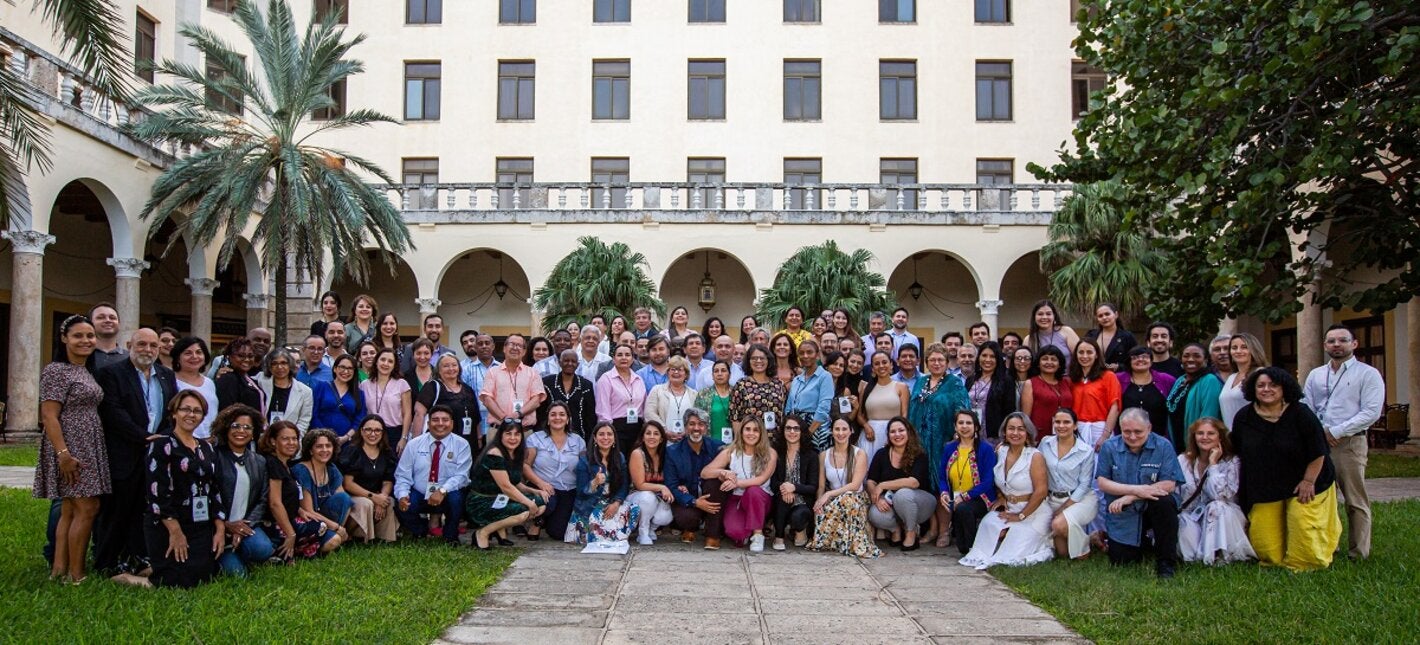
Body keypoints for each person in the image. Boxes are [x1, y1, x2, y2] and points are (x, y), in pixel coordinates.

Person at [1231, 367, 1341, 571]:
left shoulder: (1301, 413)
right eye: (1261, 385)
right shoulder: (1243, 417)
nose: (1266, 389)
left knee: (1303, 525)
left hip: (1304, 481)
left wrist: (1309, 481)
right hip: (1265, 484)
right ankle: (1276, 562)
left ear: (1284, 388)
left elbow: (1319, 451)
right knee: (1266, 544)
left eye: (1273, 385)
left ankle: (1304, 564)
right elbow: (1236, 449)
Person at [94, 328, 177, 575]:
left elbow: (172, 410)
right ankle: (107, 561)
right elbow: (113, 412)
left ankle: (139, 556)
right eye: (142, 344)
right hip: (125, 453)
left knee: (145, 510)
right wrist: (144, 437)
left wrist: (160, 437)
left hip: (154, 455)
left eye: (153, 345)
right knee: (117, 510)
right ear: (130, 345)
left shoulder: (166, 375)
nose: (148, 350)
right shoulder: (111, 374)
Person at [124, 391, 227, 588]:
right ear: (174, 413)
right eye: (186, 409)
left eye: (197, 411)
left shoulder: (206, 448)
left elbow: (215, 489)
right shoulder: (161, 444)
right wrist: (175, 531)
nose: (191, 415)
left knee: (203, 576)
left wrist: (220, 527)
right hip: (167, 522)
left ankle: (156, 566)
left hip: (199, 522)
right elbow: (157, 492)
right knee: (176, 582)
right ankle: (129, 578)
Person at [35, 315, 108, 583]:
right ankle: (77, 574)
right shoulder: (56, 371)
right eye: (78, 336)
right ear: (64, 338)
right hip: (70, 444)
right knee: (88, 507)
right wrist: (63, 454)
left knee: (70, 509)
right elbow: (49, 415)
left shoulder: (86, 370)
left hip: (89, 442)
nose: (85, 341)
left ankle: (59, 569)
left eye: (90, 336)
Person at [1302, 324, 1384, 560]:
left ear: (1354, 344)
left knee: (1354, 499)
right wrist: (1319, 432)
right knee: (1323, 499)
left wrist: (1337, 431)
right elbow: (1307, 406)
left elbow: (1370, 412)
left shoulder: (1367, 374)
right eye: (1331, 341)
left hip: (1349, 443)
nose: (1336, 345)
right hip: (1319, 444)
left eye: (1342, 340)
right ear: (1325, 345)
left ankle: (1358, 552)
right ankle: (1328, 547)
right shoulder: (1316, 374)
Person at [1096, 408, 1184, 578]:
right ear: (1120, 428)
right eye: (1126, 432)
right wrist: (1136, 489)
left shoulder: (1163, 445)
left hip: (1153, 508)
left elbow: (1169, 484)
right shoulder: (1109, 447)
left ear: (1149, 428)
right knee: (1122, 561)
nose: (1132, 437)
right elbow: (1102, 482)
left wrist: (1132, 496)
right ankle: (1140, 543)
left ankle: (1166, 563)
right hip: (1124, 514)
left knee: (1164, 502)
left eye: (1138, 432)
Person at [959, 413, 1053, 569]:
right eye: (1011, 429)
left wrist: (1021, 515)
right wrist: (1001, 496)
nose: (1015, 433)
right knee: (988, 525)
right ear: (1005, 431)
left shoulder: (1035, 456)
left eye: (1020, 429)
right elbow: (996, 479)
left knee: (1014, 547)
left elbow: (1041, 492)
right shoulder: (1001, 450)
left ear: (1028, 433)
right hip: (1009, 508)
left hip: (1034, 512)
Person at [907, 343, 969, 546]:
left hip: (943, 443)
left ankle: (944, 531)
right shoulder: (921, 382)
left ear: (946, 362)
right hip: (920, 443)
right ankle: (932, 528)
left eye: (940, 360)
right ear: (926, 363)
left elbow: (962, 411)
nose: (936, 363)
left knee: (942, 486)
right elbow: (912, 409)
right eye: (932, 360)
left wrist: (957, 437)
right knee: (926, 486)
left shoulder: (955, 383)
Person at [258, 420, 342, 560]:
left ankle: (291, 551)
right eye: (285, 439)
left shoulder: (286, 465)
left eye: (294, 439)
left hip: (292, 516)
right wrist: (290, 533)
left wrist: (300, 510)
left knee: (321, 529)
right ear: (273, 441)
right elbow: (275, 503)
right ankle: (282, 551)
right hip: (274, 522)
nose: (291, 442)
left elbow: (289, 497)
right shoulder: (272, 463)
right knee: (319, 526)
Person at [1177, 418, 1255, 565]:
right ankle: (1199, 557)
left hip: (1224, 515)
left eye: (1210, 433)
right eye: (1200, 433)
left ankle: (1222, 556)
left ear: (1220, 437)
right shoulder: (1184, 460)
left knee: (1215, 507)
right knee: (1182, 520)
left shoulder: (1232, 462)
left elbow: (1219, 495)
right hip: (1193, 514)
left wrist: (1213, 465)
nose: (1205, 437)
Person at [394, 406, 473, 545]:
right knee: (401, 501)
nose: (440, 423)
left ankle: (451, 536)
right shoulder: (414, 444)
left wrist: (442, 491)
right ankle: (420, 531)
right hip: (420, 492)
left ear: (452, 423)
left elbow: (462, 476)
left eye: (445, 420)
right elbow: (402, 475)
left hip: (448, 493)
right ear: (428, 423)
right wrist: (402, 495)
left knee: (457, 498)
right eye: (435, 420)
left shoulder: (462, 444)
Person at [211, 404, 273, 577]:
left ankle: (239, 549)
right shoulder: (213, 457)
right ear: (225, 428)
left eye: (247, 427)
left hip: (245, 524)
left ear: (254, 433)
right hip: (217, 526)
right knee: (238, 576)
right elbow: (208, 496)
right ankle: (224, 553)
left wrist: (245, 526)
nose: (241, 431)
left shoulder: (259, 461)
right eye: (235, 426)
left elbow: (262, 498)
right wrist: (225, 525)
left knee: (263, 549)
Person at [806, 418, 881, 558]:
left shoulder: (860, 454)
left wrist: (828, 495)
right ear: (831, 431)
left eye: (844, 429)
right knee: (827, 506)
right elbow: (821, 485)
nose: (840, 433)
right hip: (834, 500)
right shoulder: (824, 455)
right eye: (837, 429)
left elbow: (855, 485)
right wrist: (818, 502)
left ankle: (852, 542)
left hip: (856, 499)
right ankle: (838, 541)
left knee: (848, 500)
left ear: (851, 431)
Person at [699, 418, 777, 551]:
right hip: (738, 498)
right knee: (734, 532)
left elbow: (761, 480)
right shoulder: (731, 451)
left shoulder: (770, 453)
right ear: (741, 432)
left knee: (753, 490)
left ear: (761, 433)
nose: (751, 433)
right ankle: (747, 531)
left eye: (755, 430)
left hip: (760, 498)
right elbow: (705, 472)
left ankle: (758, 534)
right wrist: (723, 472)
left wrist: (736, 483)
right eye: (747, 429)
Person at [466, 421, 546, 549]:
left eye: (517, 434)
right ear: (500, 435)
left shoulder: (514, 453)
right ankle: (482, 533)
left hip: (499, 498)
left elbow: (515, 483)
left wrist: (534, 491)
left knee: (541, 502)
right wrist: (529, 503)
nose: (513, 438)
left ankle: (499, 530)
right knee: (523, 513)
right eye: (508, 434)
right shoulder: (494, 454)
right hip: (481, 502)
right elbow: (506, 487)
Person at [866, 417, 935, 551]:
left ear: (908, 432)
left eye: (901, 430)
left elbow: (913, 482)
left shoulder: (919, 454)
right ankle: (896, 530)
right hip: (891, 503)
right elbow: (871, 481)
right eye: (893, 432)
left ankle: (911, 532)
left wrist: (883, 485)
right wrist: (877, 497)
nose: (897, 434)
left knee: (902, 494)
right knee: (874, 514)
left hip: (920, 503)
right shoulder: (881, 454)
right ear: (888, 435)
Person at [567, 422, 641, 545]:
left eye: (609, 434)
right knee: (603, 532)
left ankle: (614, 533)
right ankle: (610, 534)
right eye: (601, 434)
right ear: (595, 438)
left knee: (635, 510)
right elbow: (581, 493)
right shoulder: (585, 460)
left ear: (614, 438)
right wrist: (594, 483)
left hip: (610, 501)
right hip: (590, 505)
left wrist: (616, 503)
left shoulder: (619, 457)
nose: (606, 438)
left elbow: (624, 485)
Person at [1039, 409, 1098, 559]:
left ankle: (1084, 551)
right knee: (1063, 554)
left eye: (1066, 422)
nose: (1061, 426)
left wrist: (1063, 508)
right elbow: (1035, 464)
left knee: (1058, 525)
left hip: (1080, 499)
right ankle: (1091, 539)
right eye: (1057, 422)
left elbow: (1084, 484)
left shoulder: (1085, 451)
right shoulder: (1045, 443)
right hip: (1052, 498)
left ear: (1075, 425)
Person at [523, 402, 587, 541]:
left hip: (568, 489)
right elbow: (526, 465)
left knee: (558, 533)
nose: (557, 418)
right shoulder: (535, 438)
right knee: (548, 502)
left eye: (562, 414)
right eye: (553, 414)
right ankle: (537, 522)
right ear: (548, 418)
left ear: (568, 418)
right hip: (543, 487)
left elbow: (583, 468)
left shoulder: (578, 441)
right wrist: (541, 484)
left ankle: (549, 520)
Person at [938, 411, 997, 554]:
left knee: (964, 508)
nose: (964, 426)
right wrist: (944, 492)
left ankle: (974, 550)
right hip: (957, 498)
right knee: (961, 546)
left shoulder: (986, 449)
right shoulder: (949, 448)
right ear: (955, 427)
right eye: (961, 423)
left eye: (969, 423)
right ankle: (966, 546)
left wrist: (964, 496)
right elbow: (941, 476)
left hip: (980, 498)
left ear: (976, 427)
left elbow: (988, 481)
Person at [664, 408, 725, 544]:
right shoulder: (672, 452)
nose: (696, 428)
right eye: (691, 424)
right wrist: (694, 502)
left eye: (701, 424)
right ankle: (691, 528)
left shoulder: (718, 447)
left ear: (706, 428)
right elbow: (671, 485)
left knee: (715, 483)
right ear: (685, 427)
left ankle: (713, 534)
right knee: (686, 518)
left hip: (711, 497)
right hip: (688, 499)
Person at [338, 415, 399, 544]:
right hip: (354, 494)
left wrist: (382, 497)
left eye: (377, 430)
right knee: (366, 504)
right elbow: (348, 484)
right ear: (361, 431)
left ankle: (383, 538)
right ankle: (351, 536)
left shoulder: (387, 453)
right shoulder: (352, 451)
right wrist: (373, 497)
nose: (373, 434)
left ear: (383, 433)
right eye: (368, 430)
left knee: (389, 501)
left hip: (376, 494)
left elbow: (388, 481)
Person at [292, 429, 353, 545]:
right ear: (310, 450)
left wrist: (339, 527)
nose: (324, 450)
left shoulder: (331, 468)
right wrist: (336, 527)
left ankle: (333, 535)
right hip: (307, 519)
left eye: (328, 446)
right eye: (319, 446)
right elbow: (308, 510)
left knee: (344, 498)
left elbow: (344, 501)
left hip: (324, 518)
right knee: (334, 542)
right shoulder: (301, 470)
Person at [770, 415, 819, 550]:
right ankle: (779, 537)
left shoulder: (811, 455)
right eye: (788, 428)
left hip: (802, 500)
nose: (792, 432)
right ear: (783, 431)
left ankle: (799, 529)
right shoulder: (776, 452)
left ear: (802, 431)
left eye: (796, 429)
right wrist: (784, 488)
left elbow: (812, 487)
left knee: (799, 516)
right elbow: (772, 482)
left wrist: (794, 487)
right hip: (781, 498)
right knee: (782, 499)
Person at [412, 354, 482, 449]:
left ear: (459, 368)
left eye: (454, 365)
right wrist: (416, 443)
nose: (451, 368)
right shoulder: (432, 387)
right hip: (441, 443)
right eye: (446, 366)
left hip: (468, 443)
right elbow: (419, 414)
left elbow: (476, 418)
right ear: (439, 370)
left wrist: (479, 438)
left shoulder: (468, 389)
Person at [1165, 343, 1224, 452]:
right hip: (1177, 444)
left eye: (1197, 356)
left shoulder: (1209, 380)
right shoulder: (1180, 380)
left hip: (1198, 447)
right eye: (1186, 356)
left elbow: (1209, 416)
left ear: (1206, 360)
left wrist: (1197, 448)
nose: (1190, 359)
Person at [481, 334, 546, 430]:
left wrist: (517, 414)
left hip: (524, 430)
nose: (515, 348)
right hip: (498, 430)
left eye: (519, 345)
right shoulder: (492, 372)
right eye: (512, 344)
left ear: (524, 351)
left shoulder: (533, 373)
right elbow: (487, 399)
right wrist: (504, 419)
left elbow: (536, 400)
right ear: (504, 348)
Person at [627, 421, 676, 545]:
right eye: (648, 433)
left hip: (657, 496)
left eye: (656, 434)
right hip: (637, 496)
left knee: (666, 517)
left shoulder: (665, 454)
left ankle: (651, 528)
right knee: (647, 497)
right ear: (642, 437)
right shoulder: (637, 454)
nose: (652, 437)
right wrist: (662, 487)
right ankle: (642, 532)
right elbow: (639, 485)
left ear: (661, 439)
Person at [596, 344, 647, 456]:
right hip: (616, 428)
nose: (624, 358)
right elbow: (602, 409)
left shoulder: (638, 379)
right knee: (620, 464)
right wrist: (608, 433)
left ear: (633, 359)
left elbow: (643, 406)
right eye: (620, 355)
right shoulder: (606, 379)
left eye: (627, 355)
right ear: (613, 359)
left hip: (637, 429)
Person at [857, 351, 909, 462]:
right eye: (877, 363)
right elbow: (860, 415)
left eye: (884, 362)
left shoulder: (901, 387)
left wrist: (895, 434)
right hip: (870, 436)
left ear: (891, 365)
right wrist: (866, 426)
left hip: (894, 434)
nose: (881, 366)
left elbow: (904, 414)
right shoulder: (865, 387)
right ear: (872, 368)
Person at [1070, 338, 1120, 451]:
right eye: (1081, 352)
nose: (1085, 356)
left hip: (1100, 430)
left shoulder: (1108, 376)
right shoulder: (1072, 379)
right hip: (1076, 430)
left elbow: (1115, 407)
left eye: (1089, 352)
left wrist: (1105, 436)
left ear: (1096, 355)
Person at [1118, 346, 1177, 441]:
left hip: (1159, 438)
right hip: (1126, 438)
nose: (1140, 359)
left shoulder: (1166, 380)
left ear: (1151, 360)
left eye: (1145, 357)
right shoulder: (1118, 380)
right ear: (1129, 362)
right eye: (1135, 357)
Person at [730, 344, 787, 439]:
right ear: (748, 361)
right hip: (750, 440)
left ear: (768, 360)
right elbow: (735, 418)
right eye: (754, 358)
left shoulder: (779, 384)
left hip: (776, 440)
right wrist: (739, 442)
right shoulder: (741, 385)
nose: (758, 361)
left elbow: (785, 413)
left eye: (762, 358)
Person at [361, 347, 412, 450]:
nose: (385, 364)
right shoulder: (364, 385)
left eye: (390, 361)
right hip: (371, 434)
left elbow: (407, 414)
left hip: (394, 434)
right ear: (376, 362)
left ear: (394, 365)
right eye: (383, 359)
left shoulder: (402, 384)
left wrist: (403, 438)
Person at [966, 341, 1016, 444]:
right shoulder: (971, 379)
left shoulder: (1006, 381)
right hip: (970, 435)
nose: (987, 360)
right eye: (984, 355)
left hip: (995, 437)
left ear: (998, 359)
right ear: (979, 357)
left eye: (992, 356)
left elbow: (1009, 412)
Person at [541, 349, 598, 438]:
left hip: (579, 435)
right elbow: (541, 412)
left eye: (573, 361)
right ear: (560, 363)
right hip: (550, 435)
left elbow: (590, 416)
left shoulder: (586, 385)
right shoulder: (547, 383)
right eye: (566, 360)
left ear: (578, 364)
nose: (570, 364)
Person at [172, 336, 219, 440]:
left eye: (199, 352)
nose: (194, 356)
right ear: (178, 357)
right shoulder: (170, 382)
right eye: (188, 353)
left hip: (211, 442)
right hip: (182, 441)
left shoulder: (209, 382)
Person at [785, 339, 833, 439]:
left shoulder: (824, 376)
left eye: (809, 352)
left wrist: (809, 433)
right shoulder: (797, 379)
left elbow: (824, 408)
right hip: (795, 429)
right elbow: (789, 408)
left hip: (815, 429)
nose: (805, 356)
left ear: (817, 355)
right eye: (802, 353)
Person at [1021, 345, 1073, 436]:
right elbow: (1026, 417)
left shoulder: (1067, 382)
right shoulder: (1030, 383)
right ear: (1038, 363)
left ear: (1059, 364)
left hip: (1065, 433)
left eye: (1053, 359)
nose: (1049, 362)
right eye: (1045, 359)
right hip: (1040, 434)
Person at [258, 348, 314, 432]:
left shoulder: (305, 391)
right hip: (263, 437)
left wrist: (293, 439)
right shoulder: (260, 382)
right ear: (269, 366)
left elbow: (304, 421)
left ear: (290, 365)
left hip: (290, 440)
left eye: (283, 363)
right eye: (274, 363)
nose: (279, 367)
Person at [310, 355, 366, 439]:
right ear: (335, 369)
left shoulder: (359, 393)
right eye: (342, 367)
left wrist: (346, 437)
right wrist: (324, 436)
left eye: (350, 368)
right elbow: (313, 413)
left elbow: (359, 419)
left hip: (346, 442)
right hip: (320, 439)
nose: (346, 371)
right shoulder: (322, 387)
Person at [1219, 332, 1268, 428]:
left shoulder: (1261, 374)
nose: (1238, 351)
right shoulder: (1231, 377)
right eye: (1234, 348)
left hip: (1253, 434)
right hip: (1231, 436)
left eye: (1244, 347)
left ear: (1253, 350)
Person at [645, 356, 698, 436]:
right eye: (673, 369)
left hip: (687, 439)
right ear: (668, 372)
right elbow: (649, 413)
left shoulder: (694, 394)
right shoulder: (657, 390)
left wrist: (687, 432)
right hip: (663, 438)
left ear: (686, 374)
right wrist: (664, 431)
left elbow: (697, 418)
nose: (676, 372)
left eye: (680, 370)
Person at [459, 331, 500, 434]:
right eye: (480, 344)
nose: (484, 346)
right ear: (476, 347)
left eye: (487, 343)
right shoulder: (466, 370)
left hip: (498, 424)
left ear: (493, 346)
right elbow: (463, 398)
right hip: (475, 424)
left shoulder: (502, 368)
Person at [215, 337, 265, 412]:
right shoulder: (228, 378)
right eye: (241, 356)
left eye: (250, 356)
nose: (247, 359)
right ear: (230, 357)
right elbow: (227, 411)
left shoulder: (248, 378)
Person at [1084, 303, 1137, 372]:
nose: (1104, 318)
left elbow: (1136, 358)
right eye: (1100, 316)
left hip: (1118, 378)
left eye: (1107, 314)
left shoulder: (1127, 336)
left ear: (1116, 315)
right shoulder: (1091, 335)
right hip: (1094, 376)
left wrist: (1118, 366)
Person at [694, 360, 735, 444]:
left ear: (729, 375)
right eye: (716, 371)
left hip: (734, 443)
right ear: (712, 376)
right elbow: (696, 419)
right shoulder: (703, 394)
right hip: (709, 443)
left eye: (723, 370)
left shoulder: (737, 393)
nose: (719, 374)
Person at [88, 303, 128, 369]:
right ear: (90, 323)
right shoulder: (82, 355)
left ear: (119, 324)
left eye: (112, 318)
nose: (108, 320)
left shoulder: (130, 358)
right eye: (100, 317)